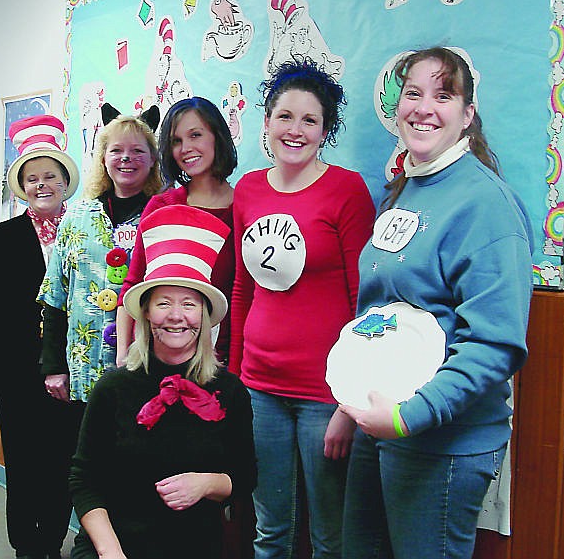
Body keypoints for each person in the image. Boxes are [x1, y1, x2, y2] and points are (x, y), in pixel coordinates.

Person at [339, 47, 534, 559]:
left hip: (442, 440)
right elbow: (380, 313)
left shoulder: (486, 204)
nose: (424, 107)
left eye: (443, 95)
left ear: (467, 114)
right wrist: (353, 401)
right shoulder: (405, 190)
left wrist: (409, 417)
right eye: (413, 93)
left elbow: (494, 345)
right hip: (379, 426)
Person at [230, 58, 376, 559]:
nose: (295, 130)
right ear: (266, 122)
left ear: (325, 130)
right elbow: (242, 289)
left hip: (325, 393)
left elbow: (366, 302)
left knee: (329, 536)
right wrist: (234, 378)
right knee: (270, 528)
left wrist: (350, 402)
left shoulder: (347, 190)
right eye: (285, 117)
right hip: (258, 386)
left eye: (310, 120)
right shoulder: (248, 189)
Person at [69, 205, 256, 559]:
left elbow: (244, 478)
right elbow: (84, 480)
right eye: (163, 303)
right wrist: (111, 552)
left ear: (203, 315)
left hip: (193, 546)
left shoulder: (229, 390)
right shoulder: (114, 388)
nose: (176, 316)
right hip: (114, 545)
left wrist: (205, 483)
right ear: (146, 314)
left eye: (189, 303)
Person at [0, 114, 81, 559]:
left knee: (62, 465)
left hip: (71, 372)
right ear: (23, 186)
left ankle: (52, 542)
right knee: (23, 465)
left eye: (50, 175)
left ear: (64, 179)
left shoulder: (84, 230)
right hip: (15, 376)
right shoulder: (3, 236)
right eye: (32, 178)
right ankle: (26, 548)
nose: (41, 185)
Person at [37, 113, 163, 439]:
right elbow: (55, 297)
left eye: (137, 151)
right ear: (103, 158)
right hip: (83, 368)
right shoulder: (77, 216)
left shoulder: (163, 217)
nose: (126, 158)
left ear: (152, 159)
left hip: (144, 368)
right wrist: (53, 367)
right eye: (116, 150)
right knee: (84, 462)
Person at [116, 96, 237, 366]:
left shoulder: (244, 207)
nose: (186, 148)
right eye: (176, 141)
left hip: (222, 361)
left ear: (217, 136)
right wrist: (124, 356)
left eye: (195, 135)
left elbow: (244, 295)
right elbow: (133, 282)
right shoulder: (162, 205)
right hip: (161, 358)